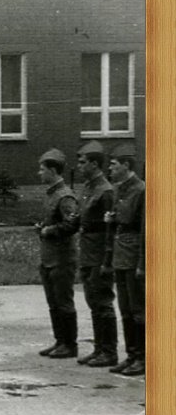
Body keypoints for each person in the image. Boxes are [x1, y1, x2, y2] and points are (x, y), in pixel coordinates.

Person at [75, 140, 118, 367]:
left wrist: (107, 260)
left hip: (100, 254)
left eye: (82, 163)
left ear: (93, 163)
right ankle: (99, 348)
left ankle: (109, 351)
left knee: (102, 301)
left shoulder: (106, 191)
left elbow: (111, 230)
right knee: (93, 300)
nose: (80, 166)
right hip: (88, 252)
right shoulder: (90, 187)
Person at [105, 142, 146, 377]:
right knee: (125, 309)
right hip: (121, 257)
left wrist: (142, 263)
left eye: (114, 165)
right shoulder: (120, 189)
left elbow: (145, 230)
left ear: (126, 165)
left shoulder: (141, 191)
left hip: (133, 259)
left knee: (138, 310)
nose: (110, 169)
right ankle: (131, 355)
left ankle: (143, 357)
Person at [35, 148, 80, 359]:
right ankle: (60, 340)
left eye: (42, 170)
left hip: (62, 258)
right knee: (53, 302)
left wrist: (49, 230)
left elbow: (72, 224)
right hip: (49, 257)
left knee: (63, 302)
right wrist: (42, 227)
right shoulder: (52, 194)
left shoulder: (65, 196)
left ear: (53, 170)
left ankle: (70, 344)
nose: (39, 173)